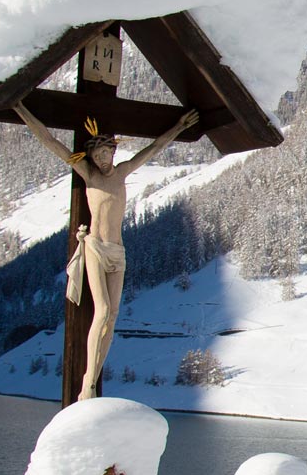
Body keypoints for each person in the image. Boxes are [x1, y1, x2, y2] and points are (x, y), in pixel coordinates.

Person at [12, 101, 198, 398]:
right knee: (102, 311)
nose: (102, 160)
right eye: (97, 156)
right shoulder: (90, 175)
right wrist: (21, 108)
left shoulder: (122, 172)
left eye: (105, 154)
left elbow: (153, 149)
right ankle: (88, 382)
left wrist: (179, 127)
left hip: (118, 252)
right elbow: (48, 140)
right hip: (96, 247)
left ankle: (95, 375)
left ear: (113, 151)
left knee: (113, 316)